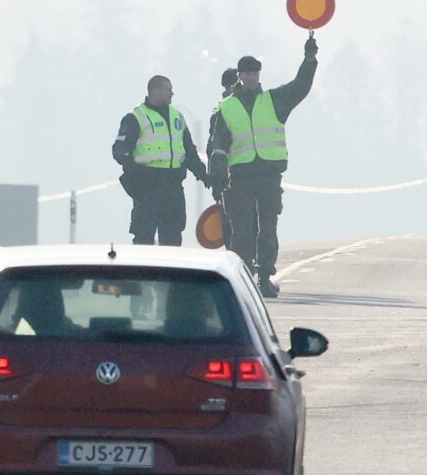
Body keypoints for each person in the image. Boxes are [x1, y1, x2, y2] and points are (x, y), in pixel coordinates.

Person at [208, 36, 318, 297]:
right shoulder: (226, 107)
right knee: (242, 232)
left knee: (268, 228)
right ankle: (242, 281)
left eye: (255, 73)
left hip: (269, 176)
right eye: (246, 73)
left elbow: (300, 86)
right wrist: (217, 176)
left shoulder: (274, 100)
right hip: (240, 178)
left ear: (259, 74)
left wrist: (310, 60)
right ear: (239, 76)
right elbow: (219, 144)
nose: (251, 77)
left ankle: (265, 278)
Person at [112, 75, 208, 246]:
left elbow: (189, 151)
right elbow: (119, 150)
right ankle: (142, 272)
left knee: (173, 236)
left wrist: (203, 174)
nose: (172, 93)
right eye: (168, 89)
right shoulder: (135, 117)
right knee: (143, 236)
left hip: (173, 186)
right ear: (154, 90)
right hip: (148, 187)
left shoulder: (177, 117)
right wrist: (132, 169)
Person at [206, 67, 239, 249]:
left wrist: (214, 180)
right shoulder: (226, 109)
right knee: (242, 223)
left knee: (231, 222)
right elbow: (215, 148)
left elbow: (211, 148)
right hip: (235, 174)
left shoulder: (219, 109)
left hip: (226, 175)